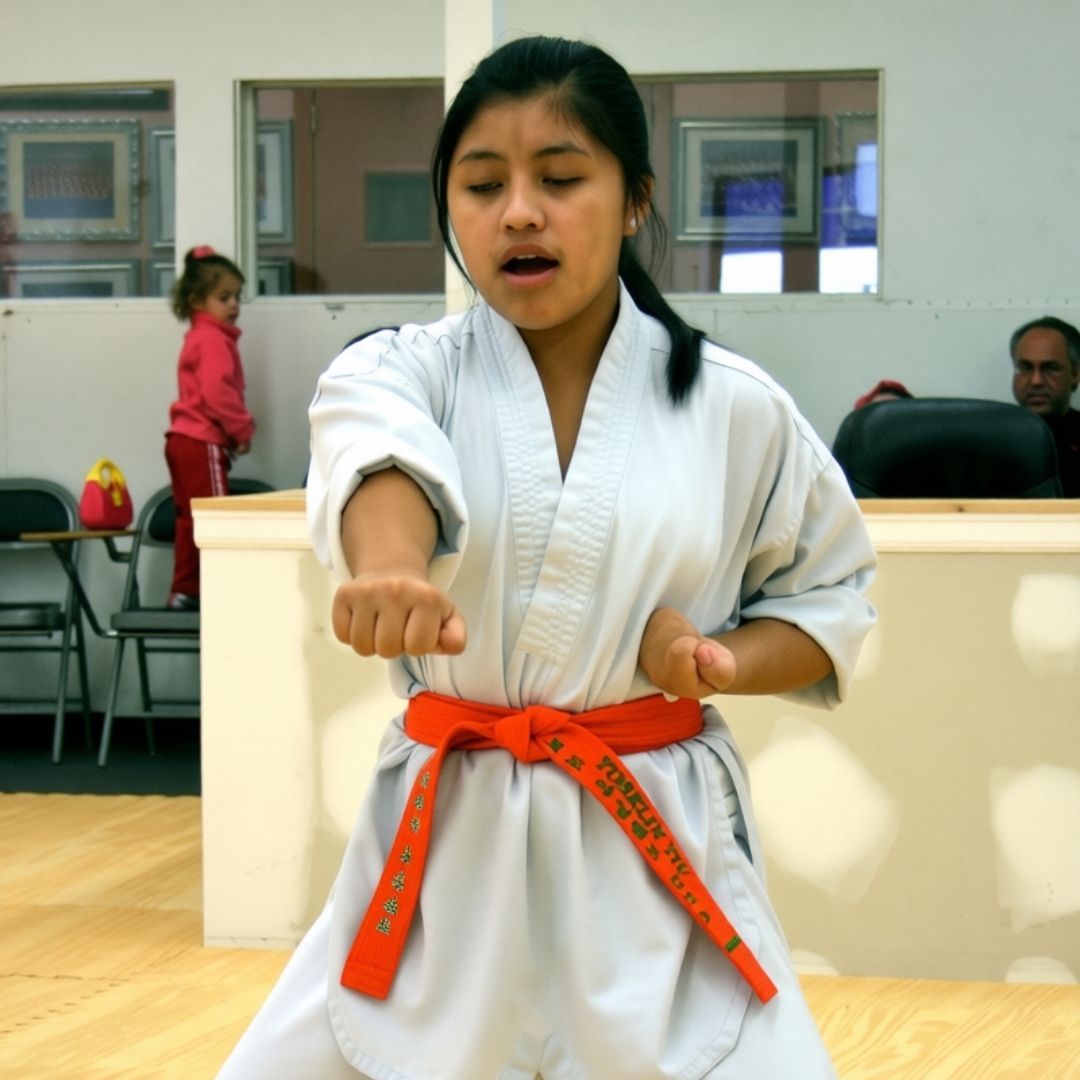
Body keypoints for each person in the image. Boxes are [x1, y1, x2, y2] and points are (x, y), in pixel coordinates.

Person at [218, 36, 876, 1079]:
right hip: (451, 838)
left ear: (633, 201)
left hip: (653, 842)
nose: (518, 211)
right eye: (482, 185)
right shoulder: (398, 369)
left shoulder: (736, 408)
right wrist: (388, 567)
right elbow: (382, 462)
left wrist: (718, 663)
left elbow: (829, 595)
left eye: (560, 179)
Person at [164, 246, 255, 610]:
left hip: (181, 440)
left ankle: (185, 590)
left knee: (191, 518)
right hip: (202, 442)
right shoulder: (214, 339)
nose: (233, 305)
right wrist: (243, 429)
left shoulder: (198, 337)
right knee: (212, 517)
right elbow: (218, 393)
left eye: (236, 296)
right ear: (195, 300)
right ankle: (205, 590)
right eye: (223, 297)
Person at [1009, 315, 1080, 496]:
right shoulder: (991, 439)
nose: (1036, 381)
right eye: (1025, 367)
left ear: (1075, 374)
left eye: (1050, 368)